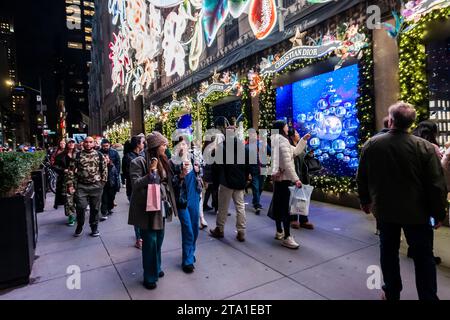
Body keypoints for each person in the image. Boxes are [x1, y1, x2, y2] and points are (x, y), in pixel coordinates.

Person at [357, 102, 447, 300]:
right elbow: (436, 184)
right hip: (418, 213)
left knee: (388, 252)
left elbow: (362, 176)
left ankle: (391, 291)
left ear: (391, 120)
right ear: (411, 122)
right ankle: (428, 297)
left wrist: (365, 200)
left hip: (385, 211)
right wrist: (439, 213)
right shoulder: (424, 147)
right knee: (424, 257)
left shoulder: (372, 144)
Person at [128, 132, 177, 290]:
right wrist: (150, 174)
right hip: (146, 208)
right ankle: (149, 276)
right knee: (150, 242)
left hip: (160, 206)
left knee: (159, 238)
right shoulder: (138, 162)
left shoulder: (164, 160)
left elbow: (168, 181)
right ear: (156, 146)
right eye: (163, 144)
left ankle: (156, 267)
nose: (166, 147)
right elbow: (135, 184)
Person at [268, 120, 309, 249]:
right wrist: (296, 179)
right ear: (281, 128)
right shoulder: (282, 141)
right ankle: (287, 237)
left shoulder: (279, 140)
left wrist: (303, 139)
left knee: (279, 206)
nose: (288, 127)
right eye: (286, 125)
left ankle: (280, 231)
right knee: (285, 209)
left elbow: (295, 152)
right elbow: (288, 164)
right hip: (284, 180)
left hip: (280, 179)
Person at [411, 120, 443, 265]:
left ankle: (413, 250)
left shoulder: (409, 143)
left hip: (410, 192)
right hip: (425, 194)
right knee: (426, 228)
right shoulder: (432, 147)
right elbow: (437, 174)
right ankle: (427, 255)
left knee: (412, 226)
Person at [210, 128, 249, 242]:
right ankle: (241, 231)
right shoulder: (243, 147)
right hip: (240, 181)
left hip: (226, 182)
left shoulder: (222, 147)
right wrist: (246, 178)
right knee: (240, 207)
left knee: (223, 207)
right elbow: (248, 164)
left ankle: (220, 229)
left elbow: (216, 166)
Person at [171, 137, 202, 273]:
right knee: (187, 228)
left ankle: (190, 252)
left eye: (185, 143)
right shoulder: (172, 162)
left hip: (194, 195)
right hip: (182, 199)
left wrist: (197, 170)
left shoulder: (193, 158)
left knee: (194, 228)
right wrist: (181, 176)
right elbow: (171, 183)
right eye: (181, 144)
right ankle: (187, 260)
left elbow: (201, 174)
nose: (183, 146)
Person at [73, 136, 108, 237]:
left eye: (90, 142)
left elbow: (104, 170)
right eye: (86, 142)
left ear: (94, 144)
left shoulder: (99, 155)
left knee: (95, 208)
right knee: (80, 207)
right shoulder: (78, 155)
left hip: (96, 186)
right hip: (81, 186)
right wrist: (71, 185)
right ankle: (80, 225)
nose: (88, 144)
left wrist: (102, 183)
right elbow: (71, 171)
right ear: (83, 143)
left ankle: (94, 227)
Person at [288, 128, 314, 230]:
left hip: (303, 175)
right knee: (294, 198)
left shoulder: (302, 145)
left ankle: (304, 219)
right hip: (294, 175)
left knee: (304, 197)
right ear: (291, 136)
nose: (298, 134)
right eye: (296, 133)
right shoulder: (289, 147)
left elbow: (304, 158)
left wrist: (310, 155)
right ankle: (293, 219)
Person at [122, 135, 146, 249]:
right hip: (133, 189)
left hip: (144, 188)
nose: (144, 144)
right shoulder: (128, 157)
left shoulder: (143, 154)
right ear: (137, 144)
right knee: (138, 214)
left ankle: (141, 234)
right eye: (142, 142)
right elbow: (128, 175)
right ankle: (139, 238)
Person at [53, 139, 78, 226]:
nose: (71, 144)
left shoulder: (78, 154)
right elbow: (55, 166)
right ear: (67, 144)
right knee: (68, 198)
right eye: (69, 142)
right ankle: (71, 216)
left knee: (78, 197)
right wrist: (63, 170)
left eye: (73, 142)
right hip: (66, 180)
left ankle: (78, 213)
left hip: (78, 179)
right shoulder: (61, 155)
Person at [245, 130, 271, 215]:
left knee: (261, 187)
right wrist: (248, 173)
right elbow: (246, 161)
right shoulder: (247, 146)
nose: (253, 136)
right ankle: (257, 205)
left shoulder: (263, 144)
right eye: (251, 134)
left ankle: (255, 201)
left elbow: (270, 152)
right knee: (255, 188)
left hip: (262, 168)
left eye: (254, 134)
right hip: (253, 169)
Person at [100, 139, 121, 211]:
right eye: (104, 146)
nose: (105, 147)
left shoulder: (114, 152)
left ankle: (110, 206)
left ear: (109, 145)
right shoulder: (99, 153)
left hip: (112, 175)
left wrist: (117, 173)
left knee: (112, 194)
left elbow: (118, 163)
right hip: (102, 176)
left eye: (107, 146)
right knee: (104, 194)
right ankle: (104, 210)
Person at [100, 155, 121, 220]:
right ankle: (104, 212)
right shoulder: (100, 167)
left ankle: (109, 208)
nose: (106, 160)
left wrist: (118, 185)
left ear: (109, 159)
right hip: (103, 186)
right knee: (104, 199)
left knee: (111, 198)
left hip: (112, 186)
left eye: (107, 158)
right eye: (104, 158)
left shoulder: (112, 166)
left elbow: (116, 176)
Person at [52, 139, 66, 209]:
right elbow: (53, 162)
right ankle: (58, 202)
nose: (62, 144)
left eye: (63, 143)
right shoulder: (57, 152)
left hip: (68, 172)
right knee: (59, 187)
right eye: (61, 143)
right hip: (60, 172)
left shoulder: (68, 151)